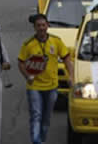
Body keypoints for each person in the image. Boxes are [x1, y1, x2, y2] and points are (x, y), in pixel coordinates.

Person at [18, 14, 73, 144]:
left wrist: (71, 76)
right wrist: (27, 76)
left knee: (46, 118)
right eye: (38, 26)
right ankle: (36, 141)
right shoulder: (28, 44)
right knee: (36, 115)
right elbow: (20, 62)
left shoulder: (56, 41)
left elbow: (67, 59)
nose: (41, 28)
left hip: (52, 87)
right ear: (34, 28)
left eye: (43, 25)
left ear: (47, 26)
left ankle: (41, 139)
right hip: (34, 87)